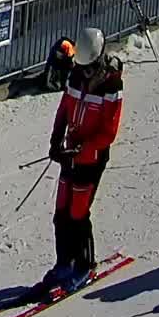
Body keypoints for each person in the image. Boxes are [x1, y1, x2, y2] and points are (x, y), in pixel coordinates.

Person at [42, 27, 123, 294]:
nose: (84, 74)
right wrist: (56, 140)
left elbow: (108, 132)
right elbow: (65, 108)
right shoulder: (76, 74)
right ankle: (64, 262)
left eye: (89, 69)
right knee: (61, 211)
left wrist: (83, 148)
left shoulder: (111, 84)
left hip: (91, 158)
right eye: (81, 68)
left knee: (78, 213)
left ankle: (85, 265)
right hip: (70, 152)